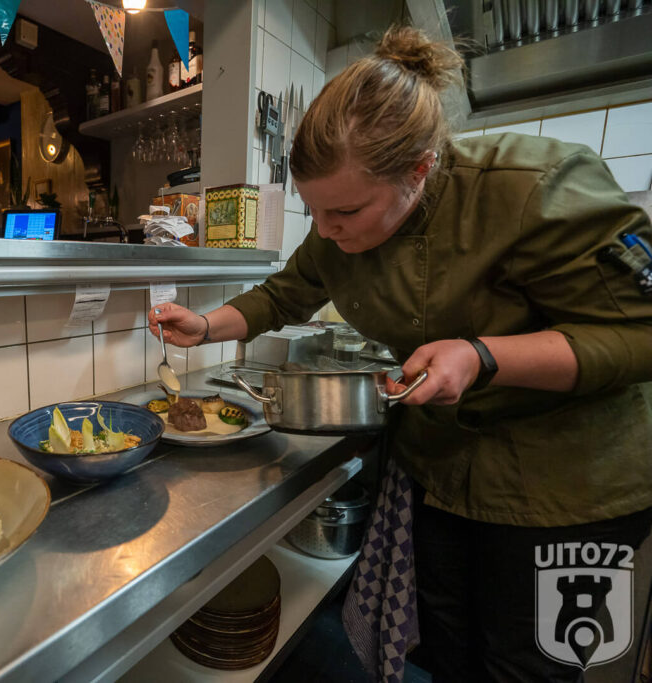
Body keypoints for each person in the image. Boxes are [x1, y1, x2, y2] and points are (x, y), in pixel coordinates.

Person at [149, 26, 652, 683]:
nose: (326, 230)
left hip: (575, 484)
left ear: (420, 168)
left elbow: (637, 332)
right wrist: (205, 323)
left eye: (347, 212)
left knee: (532, 669)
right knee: (448, 653)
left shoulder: (531, 185)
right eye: (314, 210)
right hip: (445, 473)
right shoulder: (337, 226)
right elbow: (287, 291)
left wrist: (482, 357)